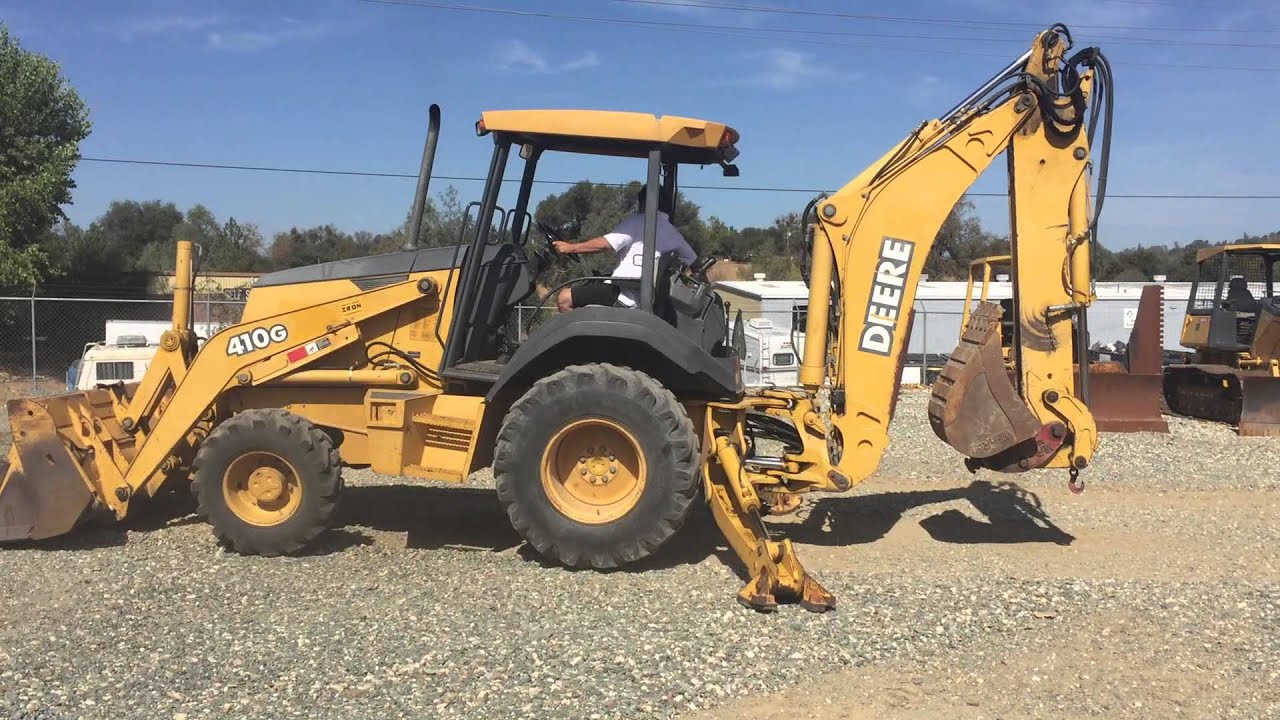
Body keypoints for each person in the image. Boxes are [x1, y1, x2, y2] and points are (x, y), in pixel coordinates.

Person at [552, 185, 697, 312]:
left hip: (623, 293)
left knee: (564, 298)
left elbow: (605, 244)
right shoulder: (673, 232)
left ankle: (587, 342)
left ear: (645, 202)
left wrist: (570, 247)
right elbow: (691, 258)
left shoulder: (638, 221)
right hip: (647, 297)